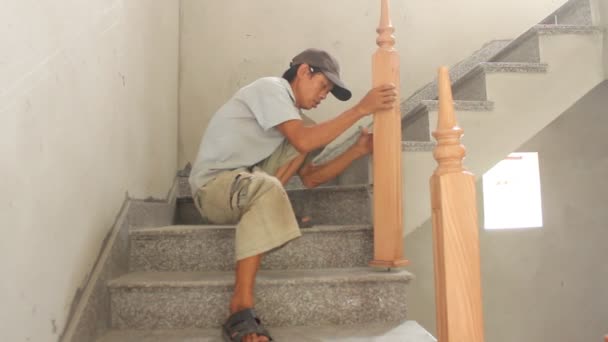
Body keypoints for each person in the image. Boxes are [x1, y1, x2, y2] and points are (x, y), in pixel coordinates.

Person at [188, 48, 397, 342]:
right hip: (213, 188)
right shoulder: (271, 88)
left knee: (299, 144)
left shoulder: (293, 118)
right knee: (293, 152)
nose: (323, 95)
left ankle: (269, 207)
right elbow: (303, 140)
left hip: (247, 185)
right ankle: (240, 305)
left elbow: (311, 178)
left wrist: (358, 150)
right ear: (303, 71)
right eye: (323, 85)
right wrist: (361, 109)